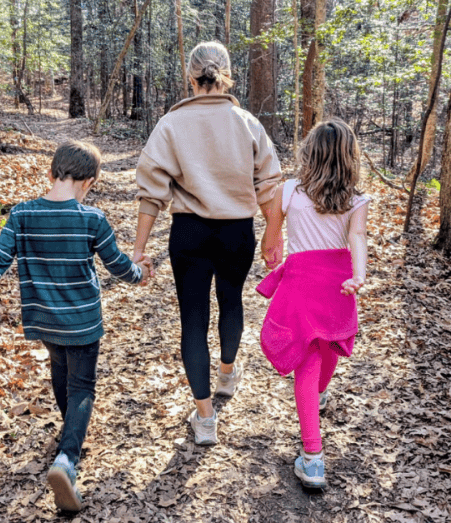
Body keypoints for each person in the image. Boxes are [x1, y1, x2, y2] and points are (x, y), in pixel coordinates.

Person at [0, 141, 151, 512]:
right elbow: (119, 266)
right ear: (90, 181)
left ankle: (69, 435)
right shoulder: (92, 219)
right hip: (83, 322)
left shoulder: (22, 215)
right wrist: (141, 274)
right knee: (82, 385)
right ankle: (67, 460)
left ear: (52, 173)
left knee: (60, 370)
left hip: (43, 320)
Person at [133, 41, 283, 446]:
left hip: (189, 234)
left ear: (190, 76)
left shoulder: (170, 125)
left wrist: (138, 248)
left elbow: (151, 193)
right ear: (226, 73)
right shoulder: (247, 122)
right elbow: (270, 186)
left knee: (193, 322)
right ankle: (228, 373)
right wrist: (274, 235)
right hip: (237, 233)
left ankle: (205, 419)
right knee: (232, 301)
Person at [255, 119, 369, 490]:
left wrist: (271, 255)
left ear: (310, 154)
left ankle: (314, 458)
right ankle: (318, 398)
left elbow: (272, 239)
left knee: (309, 359)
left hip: (302, 282)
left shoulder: (289, 191)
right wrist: (359, 275)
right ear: (349, 157)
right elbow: (358, 237)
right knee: (328, 345)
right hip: (337, 281)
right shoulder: (356, 199)